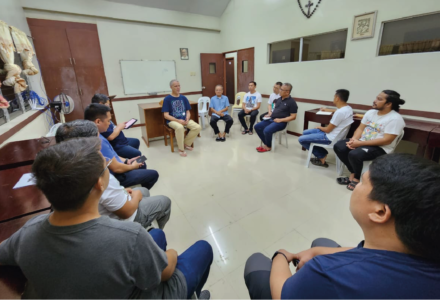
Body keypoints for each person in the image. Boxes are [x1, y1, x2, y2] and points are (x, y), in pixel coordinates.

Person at [0, 138, 213, 299]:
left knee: (156, 234)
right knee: (203, 249)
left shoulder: (28, 231)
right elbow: (165, 273)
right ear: (99, 184)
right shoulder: (128, 237)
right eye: (104, 168)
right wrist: (172, 254)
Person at [244, 153, 440, 299]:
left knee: (257, 262)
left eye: (362, 182)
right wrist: (317, 251)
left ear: (380, 212)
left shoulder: (326, 272)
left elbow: (282, 293)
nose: (356, 186)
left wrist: (282, 256)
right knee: (321, 242)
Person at [55, 120, 171, 229]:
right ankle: (153, 229)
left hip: (110, 207)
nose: (100, 145)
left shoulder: (66, 170)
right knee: (163, 200)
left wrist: (124, 188)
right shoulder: (98, 175)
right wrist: (136, 195)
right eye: (97, 143)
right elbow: (127, 212)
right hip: (124, 219)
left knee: (144, 190)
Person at [334, 90, 405, 191]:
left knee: (355, 154)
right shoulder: (371, 112)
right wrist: (354, 140)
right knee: (339, 146)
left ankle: (357, 178)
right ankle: (353, 172)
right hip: (363, 142)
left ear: (388, 104)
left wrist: (359, 144)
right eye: (376, 98)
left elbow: (387, 140)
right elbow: (360, 128)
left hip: (380, 148)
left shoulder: (395, 119)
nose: (375, 101)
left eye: (379, 99)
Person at [84, 103, 159, 189]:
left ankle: (139, 187)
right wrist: (132, 166)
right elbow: (116, 168)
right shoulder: (99, 141)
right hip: (117, 176)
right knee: (153, 173)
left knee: (142, 160)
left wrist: (127, 160)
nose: (109, 124)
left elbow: (112, 156)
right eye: (108, 121)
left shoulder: (97, 135)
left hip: (118, 165)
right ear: (98, 121)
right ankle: (138, 192)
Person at [298, 89, 353, 167]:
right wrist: (326, 110)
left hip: (329, 137)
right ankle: (320, 152)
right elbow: (338, 111)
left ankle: (321, 155)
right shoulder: (348, 108)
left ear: (337, 98)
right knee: (305, 132)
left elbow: (327, 129)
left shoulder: (339, 113)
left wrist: (320, 127)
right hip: (335, 135)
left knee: (301, 139)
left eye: (334, 97)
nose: (333, 98)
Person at [91, 93, 141, 159]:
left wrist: (120, 126)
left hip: (121, 141)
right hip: (117, 145)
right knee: (138, 153)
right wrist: (119, 127)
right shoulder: (100, 119)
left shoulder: (104, 115)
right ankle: (134, 164)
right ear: (100, 104)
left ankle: (131, 159)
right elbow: (110, 137)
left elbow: (111, 127)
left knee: (136, 141)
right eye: (107, 105)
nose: (109, 107)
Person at [162, 80, 201, 157]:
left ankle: (186, 143)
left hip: (184, 119)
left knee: (197, 127)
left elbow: (188, 111)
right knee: (180, 128)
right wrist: (178, 120)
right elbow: (166, 115)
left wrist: (187, 118)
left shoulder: (183, 98)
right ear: (171, 87)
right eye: (175, 86)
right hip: (172, 120)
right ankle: (181, 148)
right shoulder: (167, 99)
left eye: (179, 86)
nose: (178, 88)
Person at [254, 83, 297, 152]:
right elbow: (275, 110)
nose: (279, 91)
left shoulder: (292, 102)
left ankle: (268, 146)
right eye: (280, 89)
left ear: (287, 92)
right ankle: (267, 143)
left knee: (267, 130)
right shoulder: (279, 99)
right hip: (272, 119)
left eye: (281, 89)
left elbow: (293, 117)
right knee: (257, 126)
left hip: (281, 122)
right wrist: (270, 114)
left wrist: (280, 120)